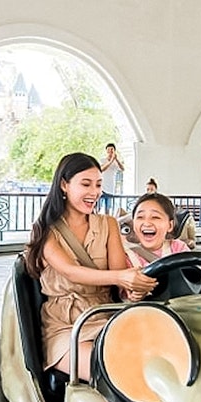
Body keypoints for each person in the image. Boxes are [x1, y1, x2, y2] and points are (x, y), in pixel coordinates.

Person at [26, 152, 155, 380]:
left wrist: (132, 290)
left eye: (98, 185)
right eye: (86, 184)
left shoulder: (109, 224)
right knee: (113, 370)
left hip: (106, 315)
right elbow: (71, 271)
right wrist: (121, 278)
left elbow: (118, 274)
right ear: (64, 185)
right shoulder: (46, 230)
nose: (94, 193)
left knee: (155, 361)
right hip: (66, 325)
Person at [123, 192, 201, 287]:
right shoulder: (128, 256)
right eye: (140, 217)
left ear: (170, 225)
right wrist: (134, 293)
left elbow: (194, 271)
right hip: (146, 306)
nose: (147, 223)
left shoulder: (178, 247)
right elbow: (124, 294)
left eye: (155, 217)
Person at [99, 143, 124, 213]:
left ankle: (107, 222)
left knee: (108, 208)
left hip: (110, 188)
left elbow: (122, 169)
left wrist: (116, 160)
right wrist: (111, 161)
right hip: (102, 188)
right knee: (98, 207)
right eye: (108, 150)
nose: (110, 152)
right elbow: (102, 169)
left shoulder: (116, 162)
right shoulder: (103, 160)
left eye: (112, 150)